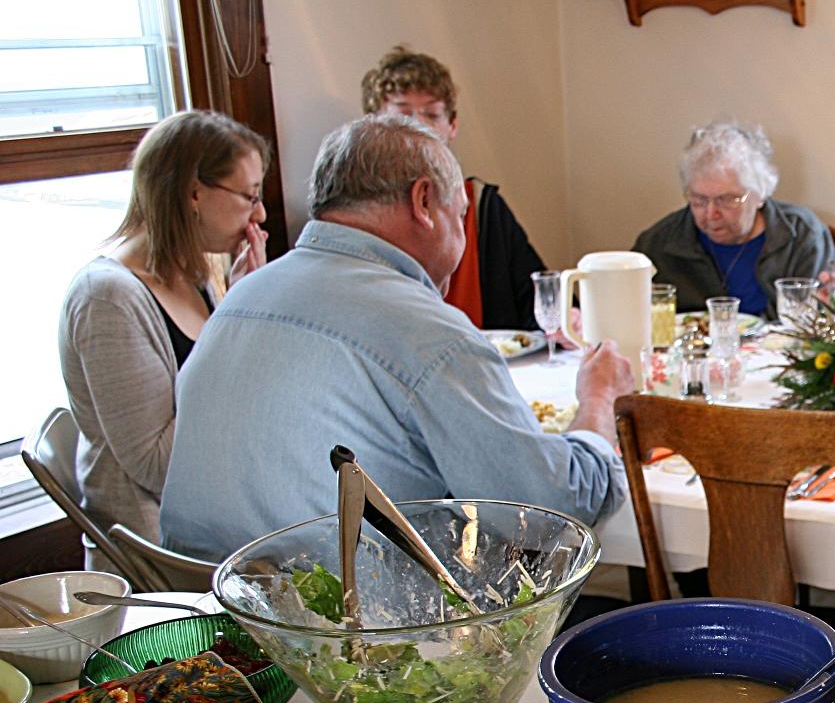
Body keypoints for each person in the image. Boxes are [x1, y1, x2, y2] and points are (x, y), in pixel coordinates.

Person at [159, 115, 633, 561]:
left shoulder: (241, 297)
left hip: (198, 621)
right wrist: (599, 399)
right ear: (423, 203)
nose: (462, 242)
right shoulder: (428, 332)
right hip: (348, 635)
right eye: (460, 217)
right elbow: (550, 516)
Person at [57, 110, 270, 560]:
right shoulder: (108, 298)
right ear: (194, 192)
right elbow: (159, 467)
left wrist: (238, 301)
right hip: (158, 562)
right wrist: (241, 322)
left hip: (212, 536)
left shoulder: (198, 273)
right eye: (249, 197)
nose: (260, 213)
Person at [361, 44, 545, 330]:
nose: (419, 127)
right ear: (373, 126)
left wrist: (563, 318)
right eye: (403, 115)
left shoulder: (484, 205)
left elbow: (532, 298)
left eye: (432, 115)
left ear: (452, 126)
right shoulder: (359, 215)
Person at [631, 120, 834, 318]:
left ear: (760, 194)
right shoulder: (659, 244)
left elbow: (820, 323)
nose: (711, 213)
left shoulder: (803, 236)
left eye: (726, 199)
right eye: (699, 199)